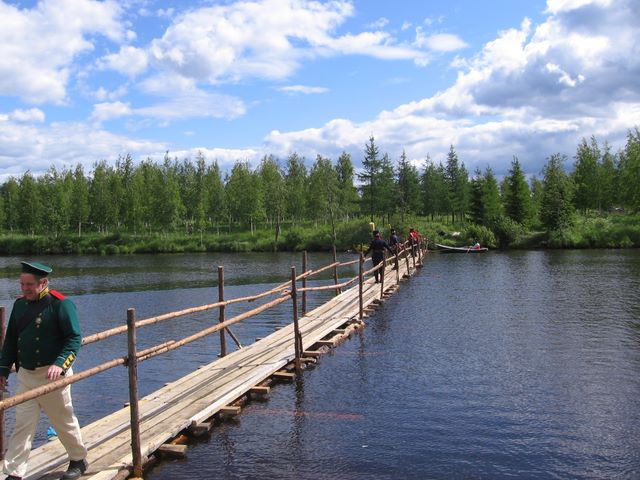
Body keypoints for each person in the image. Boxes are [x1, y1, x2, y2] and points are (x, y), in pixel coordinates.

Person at [0, 262, 88, 480]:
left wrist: (60, 364)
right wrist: (2, 370)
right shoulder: (19, 305)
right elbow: (11, 341)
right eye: (22, 284)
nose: (25, 289)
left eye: (29, 284)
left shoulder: (61, 304)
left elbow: (74, 338)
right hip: (26, 375)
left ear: (44, 283)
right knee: (22, 425)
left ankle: (78, 459)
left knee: (63, 421)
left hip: (53, 376)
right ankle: (14, 472)